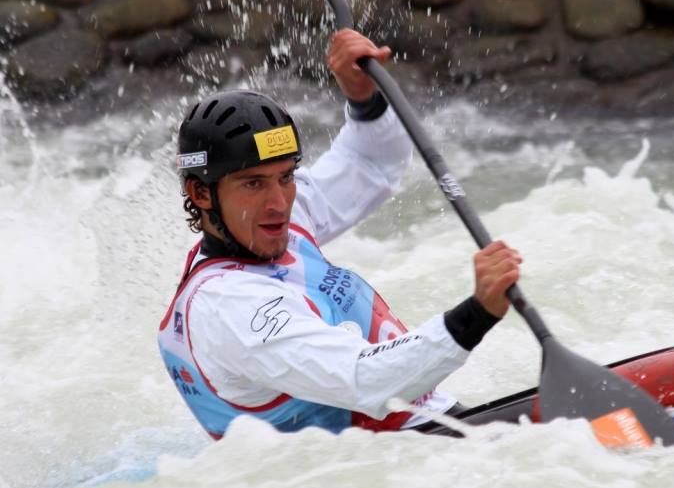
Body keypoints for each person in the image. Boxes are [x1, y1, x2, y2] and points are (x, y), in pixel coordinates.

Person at [157, 29, 522, 439]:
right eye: (253, 183)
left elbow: (370, 163)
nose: (279, 201)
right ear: (201, 193)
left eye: (286, 176)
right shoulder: (228, 306)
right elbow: (365, 380)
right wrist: (478, 312)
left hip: (428, 433)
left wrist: (363, 95)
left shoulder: (276, 223)